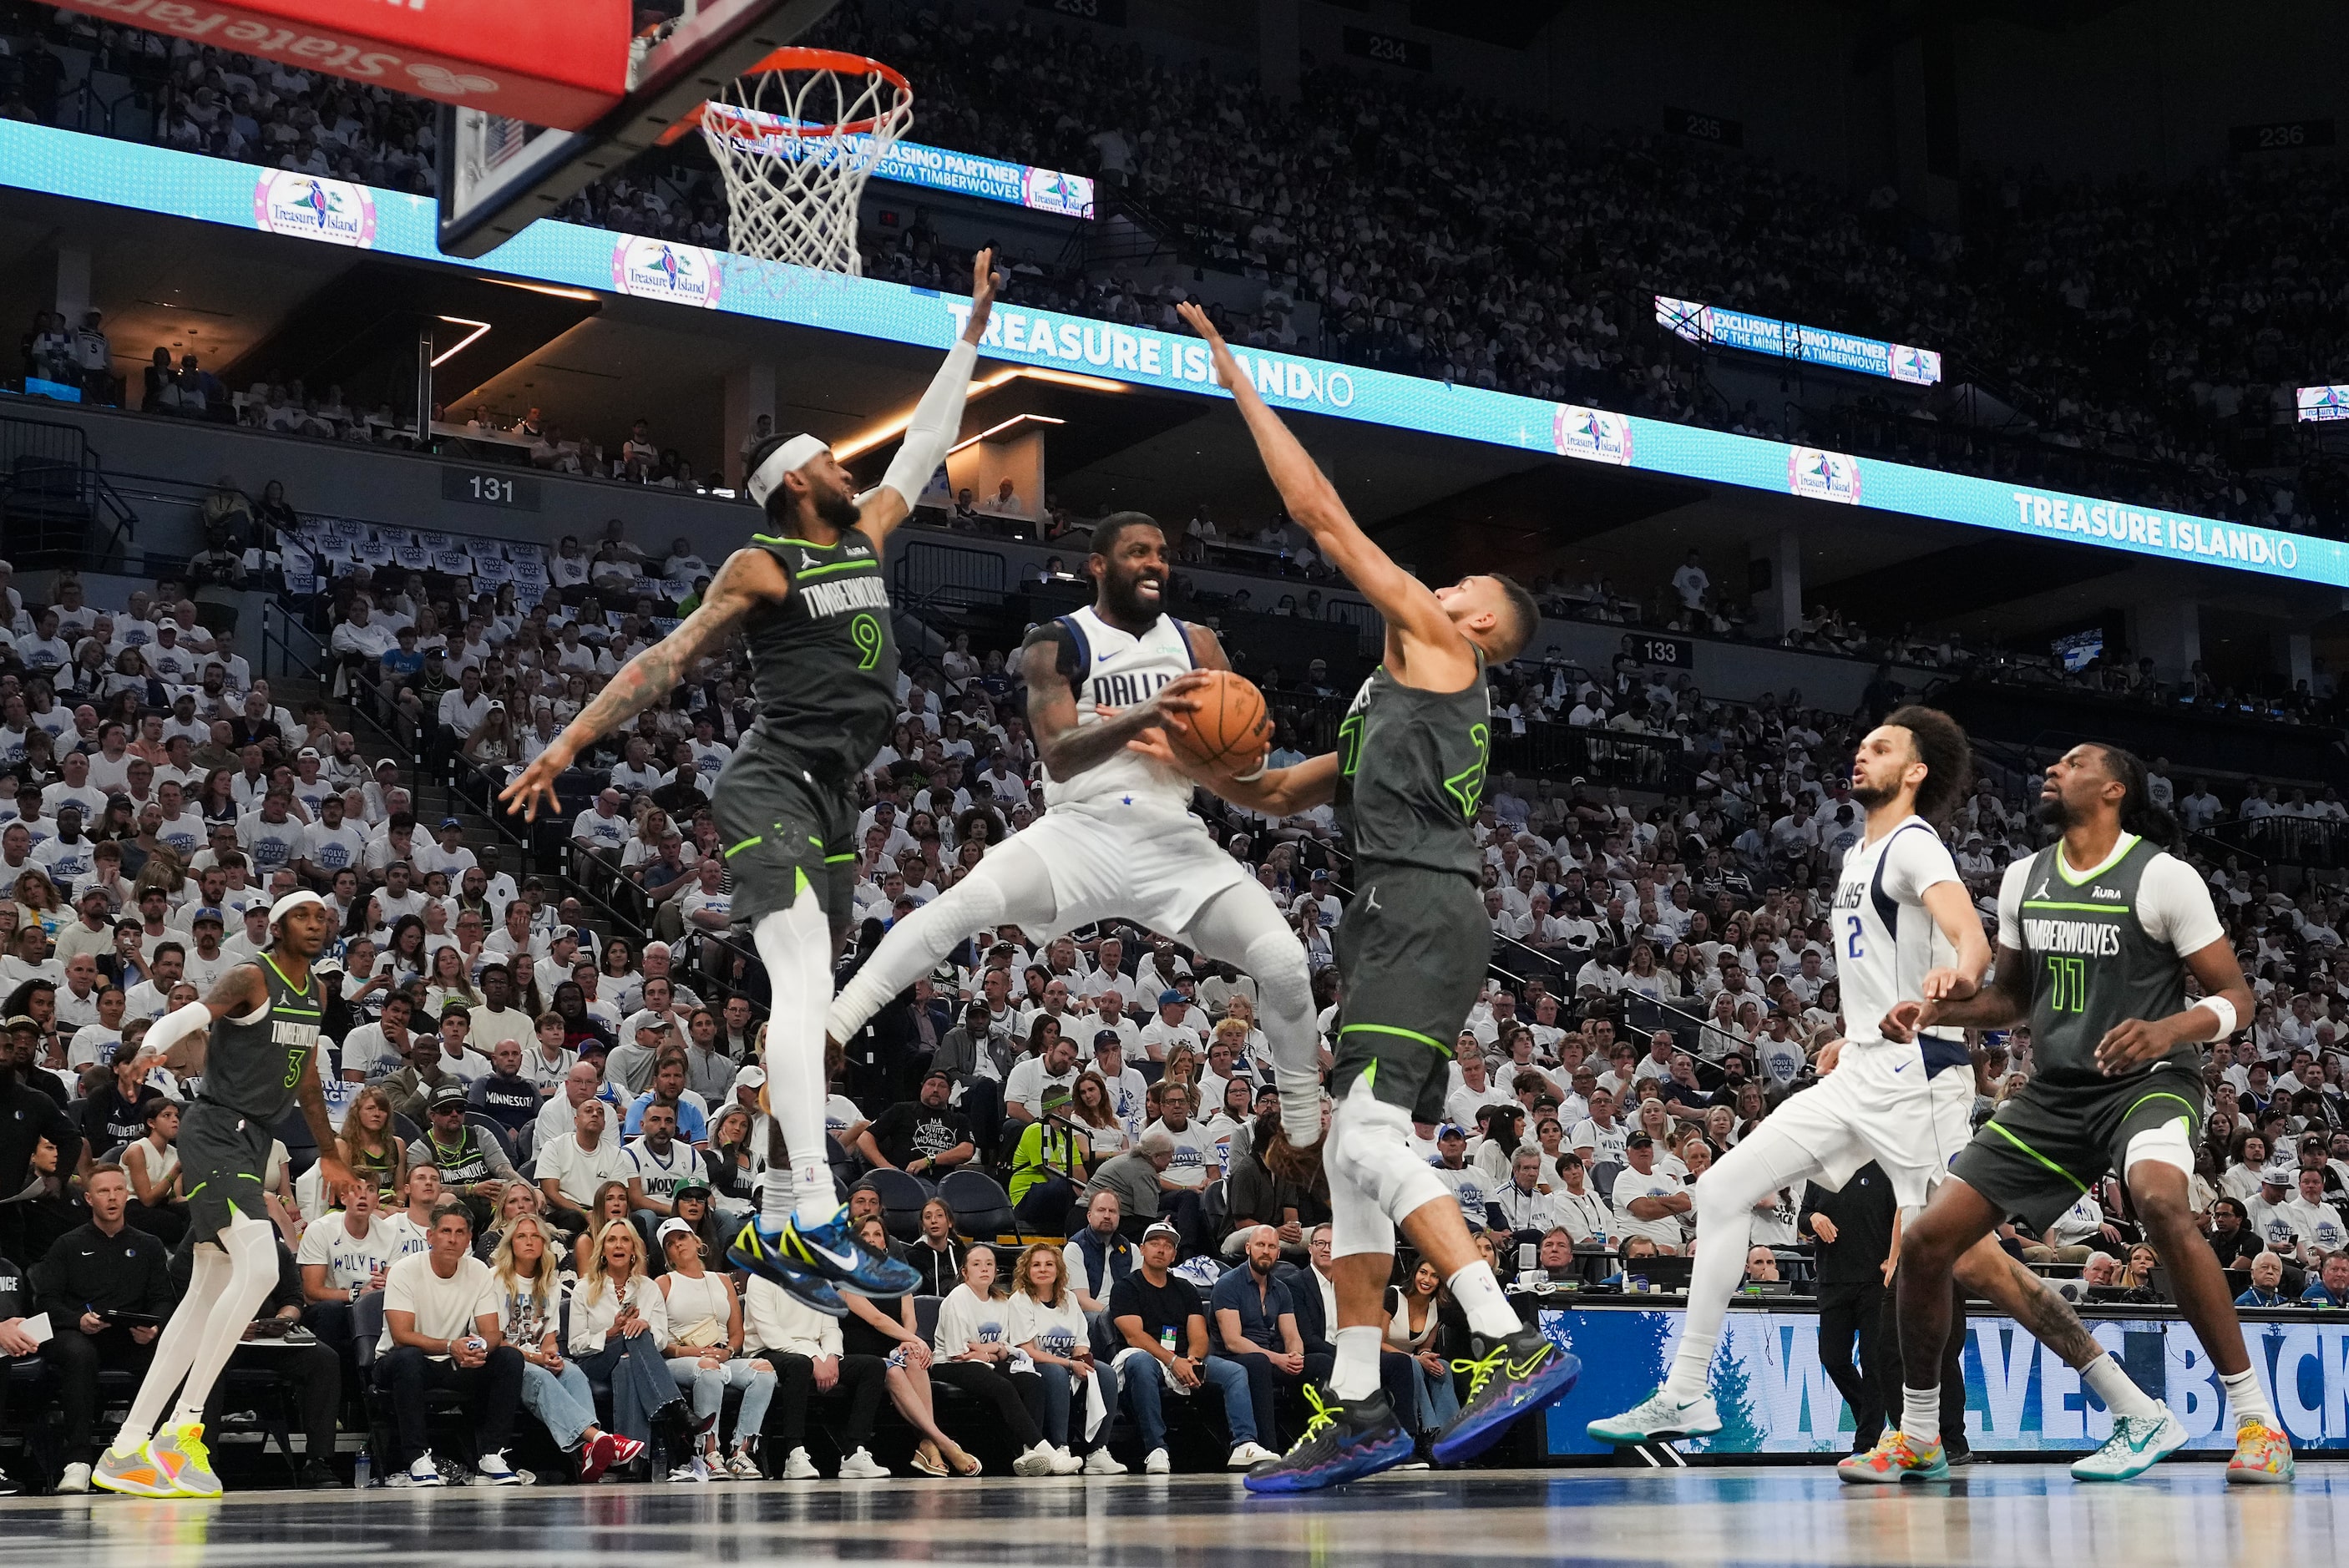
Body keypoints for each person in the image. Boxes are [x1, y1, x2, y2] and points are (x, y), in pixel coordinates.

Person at [504, 251, 1002, 1314]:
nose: (847, 466)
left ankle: (778, 1214)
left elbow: (922, 443)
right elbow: (665, 662)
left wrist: (968, 336)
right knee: (802, 984)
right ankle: (814, 1206)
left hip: (834, 800)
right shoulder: (761, 564)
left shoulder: (864, 534)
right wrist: (566, 743)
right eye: (829, 458)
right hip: (769, 781)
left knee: (805, 1001)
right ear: (793, 485)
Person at [1141, 304, 1570, 1494]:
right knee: (1343, 1165)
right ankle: (1368, 1403)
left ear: (1479, 617)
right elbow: (1277, 787)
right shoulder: (1390, 705)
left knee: (1370, 1137)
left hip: (1423, 909)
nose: (1444, 582)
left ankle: (1506, 1332)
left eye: (1465, 579)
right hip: (1397, 912)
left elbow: (1321, 517)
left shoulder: (1440, 644)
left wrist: (1235, 378)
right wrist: (1180, 758)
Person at [1592, 711, 2164, 1482]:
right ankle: (1688, 1393)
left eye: (1882, 748)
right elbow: (1880, 967)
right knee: (1721, 1188)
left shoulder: (1913, 843)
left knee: (1975, 1266)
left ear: (1917, 771)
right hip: (1864, 1066)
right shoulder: (1856, 852)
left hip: (1917, 1079)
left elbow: (1971, 937)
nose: (1862, 754)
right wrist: (1848, 1031)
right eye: (1860, 745)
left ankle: (2132, 1408)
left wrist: (1958, 978)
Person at [823, 481, 1324, 1251]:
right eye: (1137, 552)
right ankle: (834, 1024)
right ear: (1099, 565)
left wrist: (1244, 761)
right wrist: (1151, 714)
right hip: (1078, 830)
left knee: (1285, 964)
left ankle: (1296, 1127)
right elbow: (1057, 748)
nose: (1154, 562)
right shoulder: (1057, 642)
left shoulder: (1200, 646)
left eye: (1162, 552)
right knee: (957, 908)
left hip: (1172, 838)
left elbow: (1233, 769)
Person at [1878, 741, 2292, 1485]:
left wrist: (2168, 1029)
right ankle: (1918, 1436)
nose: (2051, 770)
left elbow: (2238, 998)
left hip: (2149, 1080)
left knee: (2162, 1202)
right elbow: (2011, 998)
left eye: (2070, 763)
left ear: (2113, 789)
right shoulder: (2021, 878)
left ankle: (2258, 1424)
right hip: (2057, 1093)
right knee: (1928, 1241)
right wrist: (1938, 1008)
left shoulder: (2163, 877)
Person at [90, 891, 354, 1498]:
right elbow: (193, 1015)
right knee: (261, 1267)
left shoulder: (314, 993)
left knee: (206, 1294)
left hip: (254, 1138)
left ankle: (128, 1445)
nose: (316, 924)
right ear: (278, 925)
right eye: (304, 916)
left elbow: (307, 1078)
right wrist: (152, 1043)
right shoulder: (250, 975)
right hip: (214, 1130)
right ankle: (182, 1429)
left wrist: (333, 1156)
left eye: (323, 917)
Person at [30, 1165, 175, 1493]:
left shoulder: (149, 1245)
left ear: (127, 1194)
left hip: (129, 1334)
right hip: (79, 1331)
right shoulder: (67, 1245)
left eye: (118, 1190)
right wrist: (77, 1320)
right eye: (103, 1192)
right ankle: (77, 1463)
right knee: (78, 1354)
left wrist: (153, 1327)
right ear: (88, 1199)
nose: (112, 1198)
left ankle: (151, 1455)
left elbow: (163, 1299)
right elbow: (45, 1301)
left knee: (166, 1354)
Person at [374, 1200, 528, 1486]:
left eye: (460, 1232)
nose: (452, 1239)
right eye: (445, 1231)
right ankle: (417, 1458)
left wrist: (479, 1346)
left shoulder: (479, 1270)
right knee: (408, 1357)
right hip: (401, 1362)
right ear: (430, 1236)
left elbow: (493, 1332)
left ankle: (492, 1455)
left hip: (455, 1361)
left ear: (469, 1239)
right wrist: (450, 1346)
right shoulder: (405, 1270)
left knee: (509, 1358)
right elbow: (401, 1335)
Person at [1108, 1220, 1278, 1474]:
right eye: (1155, 1244)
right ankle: (1156, 1448)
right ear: (1142, 1249)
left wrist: (1192, 1359)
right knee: (1141, 1363)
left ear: (1175, 1255)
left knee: (1235, 1372)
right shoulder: (1125, 1288)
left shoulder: (1185, 1289)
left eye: (1168, 1246)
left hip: (1185, 1357)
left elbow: (1199, 1335)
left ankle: (1244, 1443)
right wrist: (1172, 1361)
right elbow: (1135, 1337)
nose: (1161, 1249)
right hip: (1146, 1355)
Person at [490, 1212, 645, 1482]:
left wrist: (551, 1353)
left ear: (544, 1244)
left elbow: (549, 1336)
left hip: (537, 1358)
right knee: (539, 1375)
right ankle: (600, 1439)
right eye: (522, 1236)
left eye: (536, 1236)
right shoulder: (494, 1280)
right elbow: (496, 1340)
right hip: (505, 1363)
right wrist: (538, 1359)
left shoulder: (550, 1282)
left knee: (572, 1372)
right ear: (510, 1243)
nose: (529, 1242)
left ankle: (588, 1451)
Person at [929, 1244, 1074, 1474]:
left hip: (985, 1362)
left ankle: (1028, 1454)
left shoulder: (1000, 1300)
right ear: (965, 1272)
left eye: (989, 1264)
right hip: (949, 1364)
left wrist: (987, 1351)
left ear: (996, 1271)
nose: (984, 1269)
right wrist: (992, 1351)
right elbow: (960, 1353)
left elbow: (1007, 1349)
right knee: (1003, 1386)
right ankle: (1046, 1450)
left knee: (1032, 1381)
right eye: (976, 1265)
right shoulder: (958, 1298)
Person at [741, 1271, 892, 1479]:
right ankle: (794, 1452)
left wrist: (832, 1356)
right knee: (799, 1365)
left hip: (816, 1354)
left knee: (873, 1366)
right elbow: (769, 1332)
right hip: (768, 1351)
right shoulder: (760, 1278)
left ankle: (854, 1452)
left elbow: (830, 1328)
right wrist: (813, 1358)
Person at [656, 1217, 773, 1479]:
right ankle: (707, 1452)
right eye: (670, 1244)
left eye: (682, 1238)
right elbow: (660, 1342)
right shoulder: (664, 1283)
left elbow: (736, 1333)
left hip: (721, 1356)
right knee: (708, 1369)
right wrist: (693, 1353)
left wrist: (728, 1352)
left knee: (764, 1371)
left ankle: (741, 1452)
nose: (678, 1246)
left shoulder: (722, 1280)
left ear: (697, 1242)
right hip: (681, 1358)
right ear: (668, 1255)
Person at [1008, 1241, 1123, 1472]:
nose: (1043, 1269)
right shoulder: (1019, 1300)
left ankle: (1098, 1451)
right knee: (1057, 1372)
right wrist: (1070, 1364)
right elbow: (1028, 1351)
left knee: (1106, 1373)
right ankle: (1061, 1447)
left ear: (1058, 1270)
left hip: (1067, 1364)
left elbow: (1081, 1344)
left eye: (1049, 1264)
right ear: (1027, 1271)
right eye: (1036, 1265)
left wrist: (1082, 1362)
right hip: (1031, 1366)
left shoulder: (1069, 1299)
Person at [1211, 1224, 1310, 1450]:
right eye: (1260, 1245)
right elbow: (1232, 1341)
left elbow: (1292, 1335)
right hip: (1232, 1357)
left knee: (1321, 1364)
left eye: (1271, 1246)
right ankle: (1268, 1448)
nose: (1266, 1251)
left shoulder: (1282, 1289)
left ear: (1278, 1253)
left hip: (1270, 1357)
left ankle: (1325, 1446)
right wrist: (1278, 1359)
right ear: (1248, 1248)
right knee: (1259, 1362)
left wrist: (1295, 1356)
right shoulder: (1228, 1284)